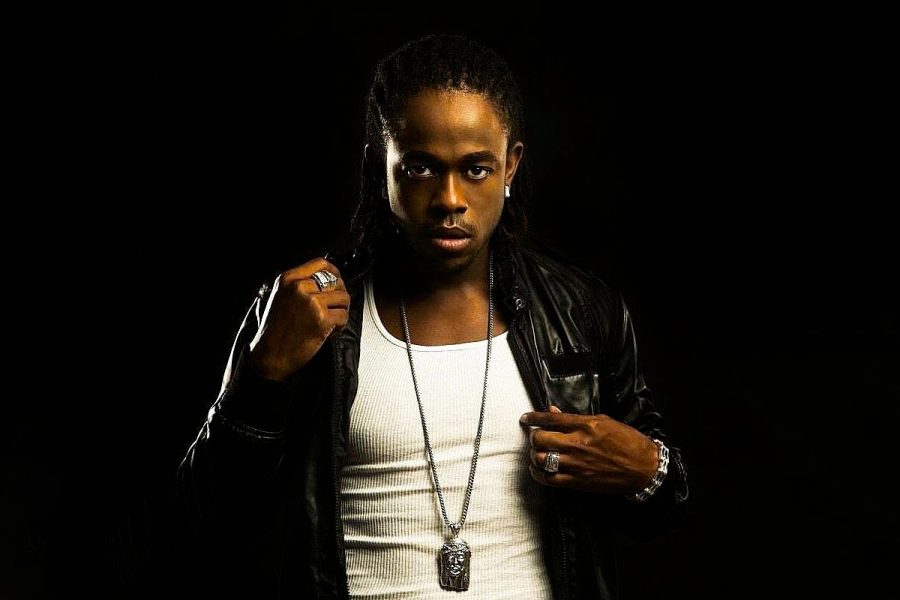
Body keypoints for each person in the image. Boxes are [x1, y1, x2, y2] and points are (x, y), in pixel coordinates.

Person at [178, 34, 688, 599]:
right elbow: (208, 527)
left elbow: (659, 512)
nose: (450, 199)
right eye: (420, 168)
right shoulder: (309, 314)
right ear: (381, 168)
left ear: (510, 167)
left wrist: (649, 469)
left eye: (476, 170)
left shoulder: (580, 309)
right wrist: (263, 377)